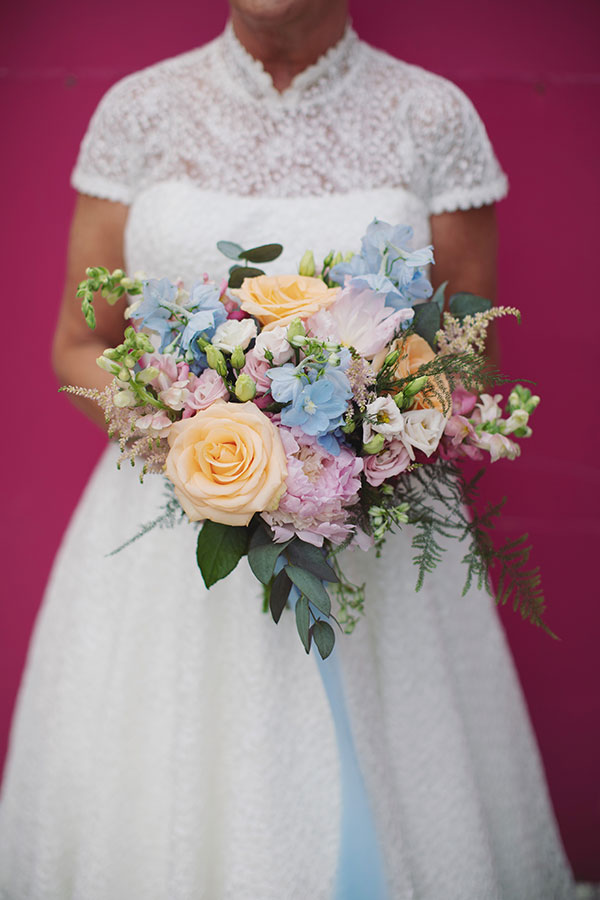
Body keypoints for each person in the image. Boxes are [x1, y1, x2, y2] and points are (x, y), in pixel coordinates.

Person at [0, 1, 576, 897]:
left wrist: (358, 438)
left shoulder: (432, 115)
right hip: (170, 539)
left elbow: (472, 354)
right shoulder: (138, 110)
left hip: (375, 543)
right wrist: (195, 440)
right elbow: (82, 342)